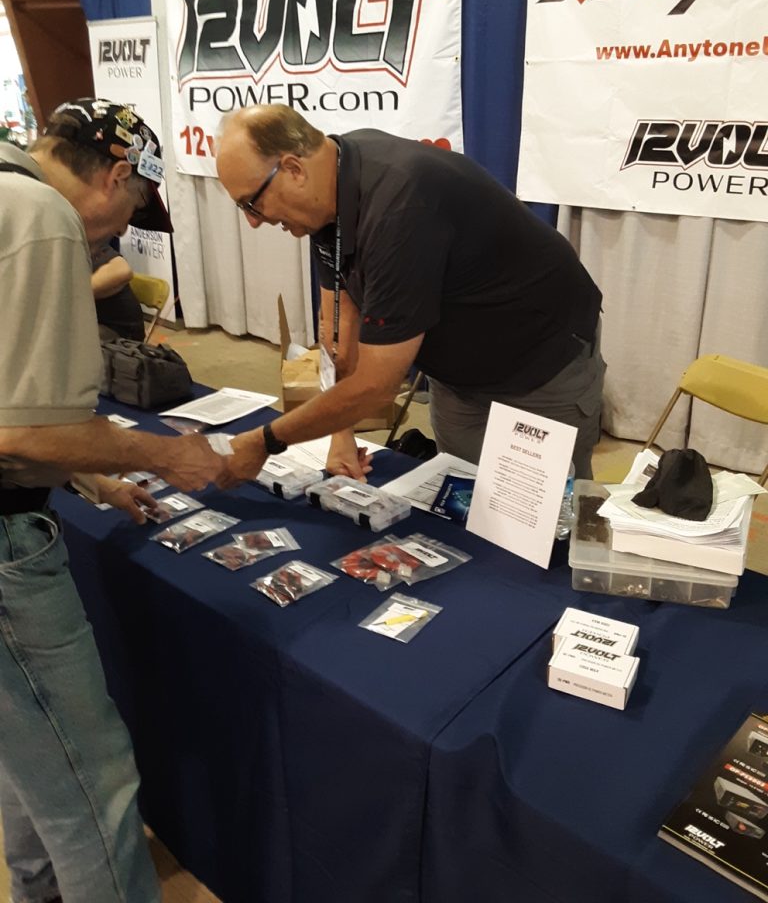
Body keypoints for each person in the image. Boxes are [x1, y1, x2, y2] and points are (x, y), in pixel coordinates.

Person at [0, 98, 225, 903]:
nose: (121, 232)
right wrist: (168, 454)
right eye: (134, 208)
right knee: (90, 782)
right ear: (118, 175)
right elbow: (25, 431)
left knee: (28, 753)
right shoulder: (39, 215)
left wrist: (90, 477)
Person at [215, 105, 605, 487]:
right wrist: (340, 435)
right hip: (459, 375)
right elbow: (338, 332)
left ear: (293, 169)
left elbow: (377, 384)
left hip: (542, 361)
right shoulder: (328, 192)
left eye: (252, 203)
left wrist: (264, 442)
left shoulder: (399, 206)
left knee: (544, 510)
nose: (252, 221)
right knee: (465, 496)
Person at [91, 244, 146, 341]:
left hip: (120, 330)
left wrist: (77, 291)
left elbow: (124, 271)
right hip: (94, 321)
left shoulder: (89, 246)